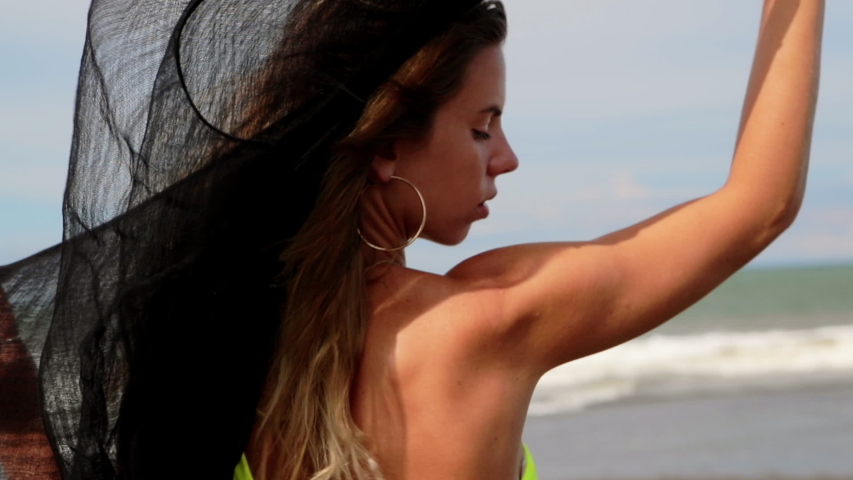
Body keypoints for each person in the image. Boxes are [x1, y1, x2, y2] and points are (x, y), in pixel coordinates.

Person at [0, 0, 825, 479]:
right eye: (481, 127)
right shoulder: (481, 322)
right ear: (388, 145)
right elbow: (758, 205)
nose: (505, 157)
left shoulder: (220, 348)